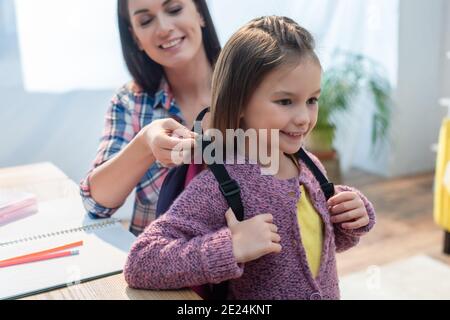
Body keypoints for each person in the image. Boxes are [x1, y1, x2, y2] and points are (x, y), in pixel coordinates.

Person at [123, 15, 376, 300]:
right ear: (239, 101)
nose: (304, 118)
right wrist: (230, 246)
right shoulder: (220, 185)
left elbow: (320, 247)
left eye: (312, 100)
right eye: (285, 101)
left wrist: (352, 218)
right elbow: (141, 263)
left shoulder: (310, 167)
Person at [79, 0, 221, 236]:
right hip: (159, 263)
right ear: (135, 38)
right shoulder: (131, 102)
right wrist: (145, 143)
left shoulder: (250, 88)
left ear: (200, 13)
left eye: (174, 9)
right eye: (145, 21)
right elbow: (96, 203)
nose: (164, 28)